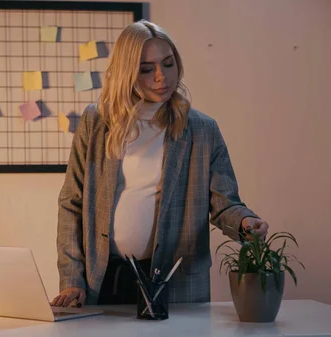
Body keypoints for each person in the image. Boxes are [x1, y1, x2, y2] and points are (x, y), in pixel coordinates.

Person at [51, 20, 269, 308]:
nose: (161, 77)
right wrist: (71, 279)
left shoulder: (202, 129)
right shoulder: (96, 122)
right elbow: (71, 203)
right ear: (127, 72)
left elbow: (224, 202)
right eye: (146, 69)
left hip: (174, 283)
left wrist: (244, 222)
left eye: (168, 64)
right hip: (104, 279)